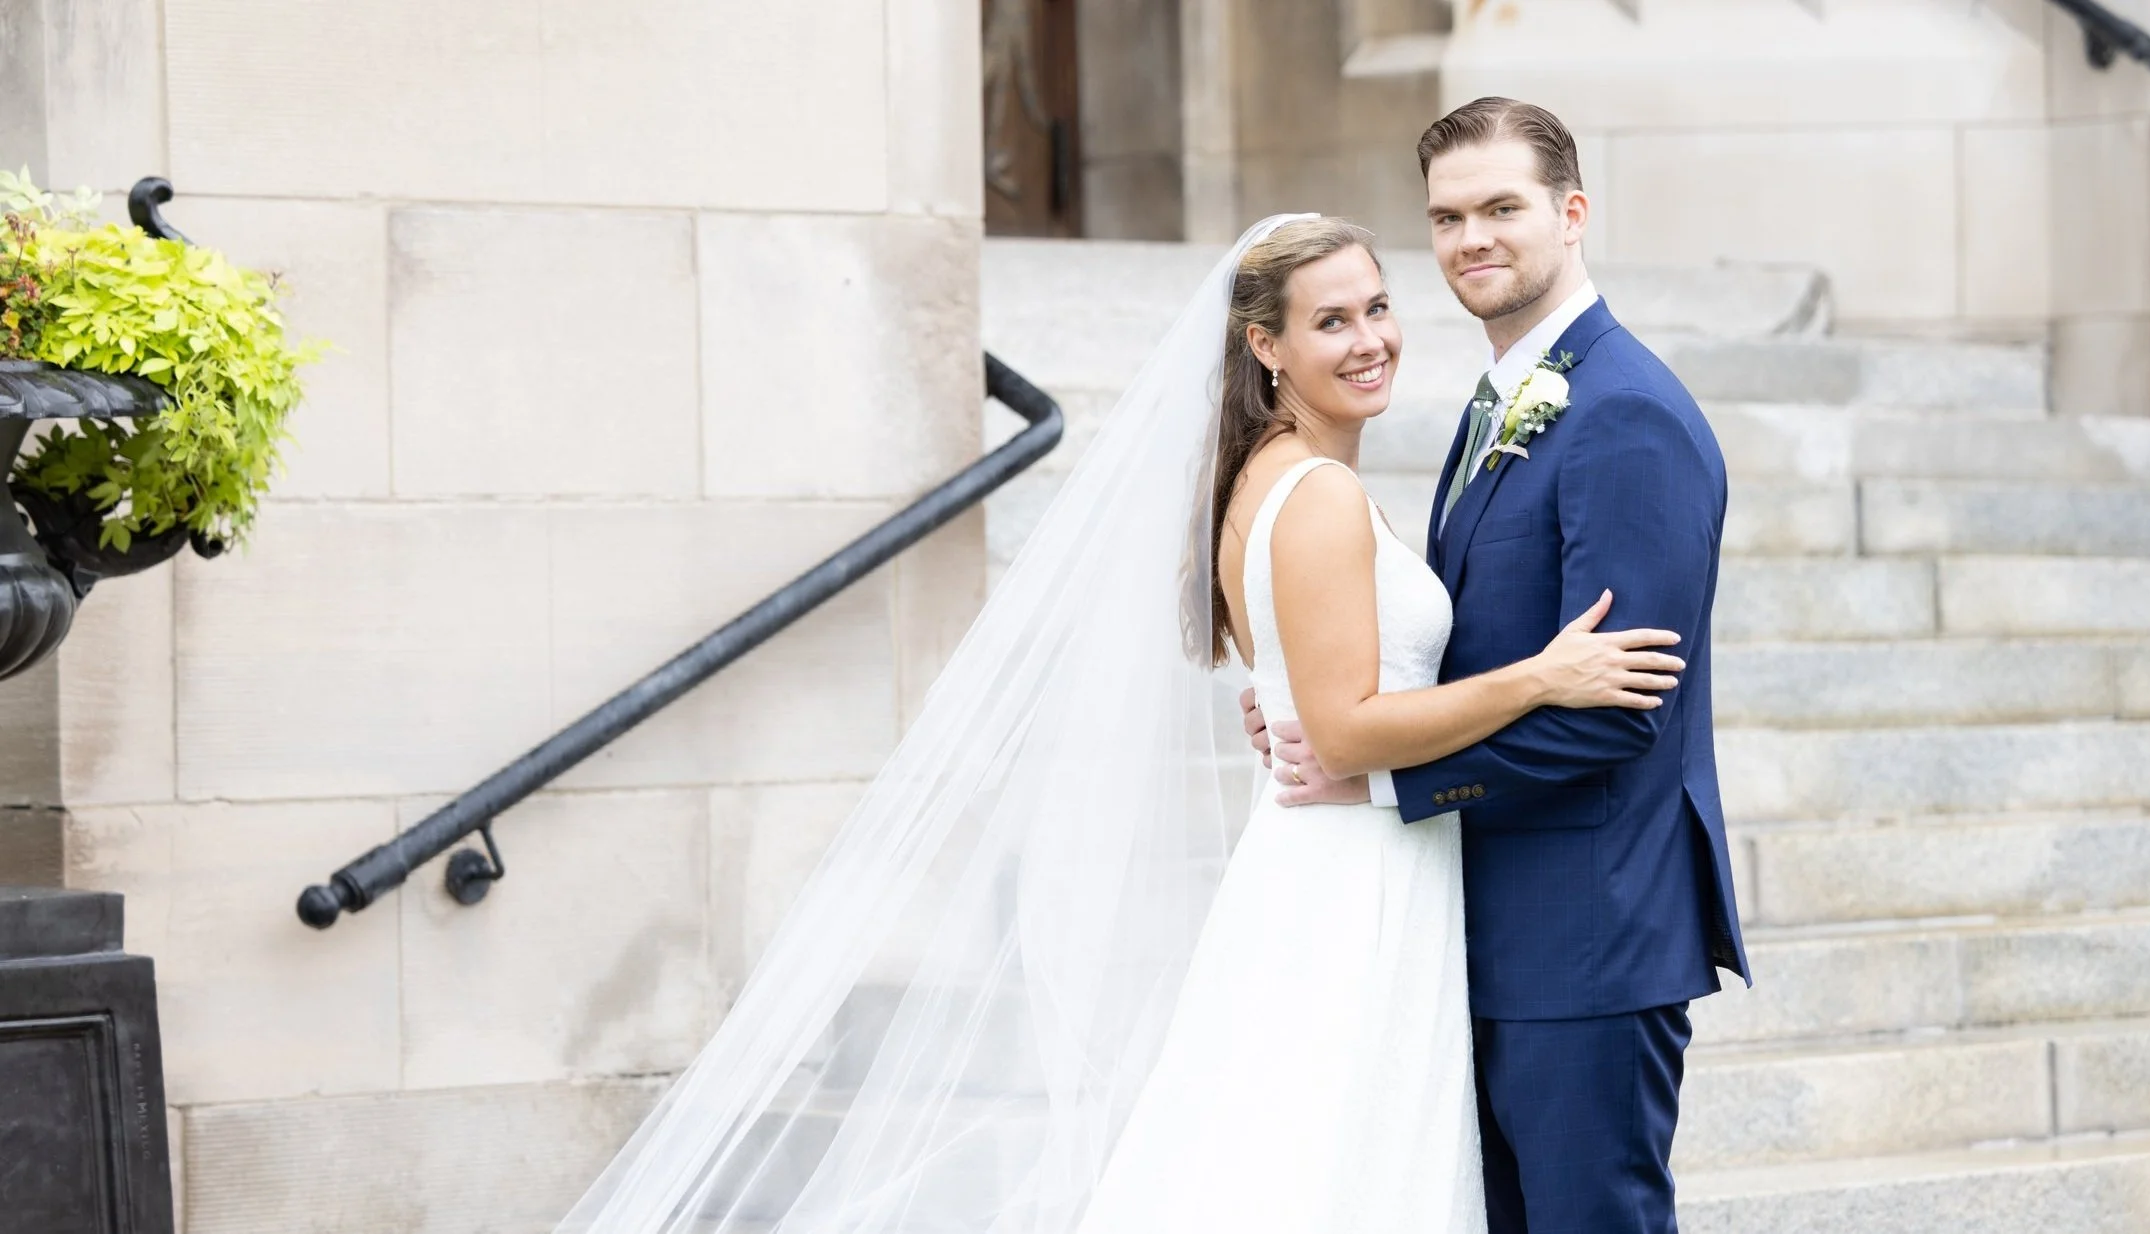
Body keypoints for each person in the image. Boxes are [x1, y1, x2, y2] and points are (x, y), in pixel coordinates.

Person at [553, 211, 1680, 1234]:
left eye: (1378, 307)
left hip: (1329, 860)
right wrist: (1541, 677)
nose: (1369, 338)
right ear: (1265, 348)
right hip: (1352, 873)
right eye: (1329, 320)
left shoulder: (1261, 478)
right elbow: (1342, 732)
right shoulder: (1320, 494)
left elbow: (1319, 699)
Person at [1248, 98, 1753, 1233]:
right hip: (1488, 929)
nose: (1472, 237)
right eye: (1447, 216)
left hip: (1587, 938)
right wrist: (1331, 707)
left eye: (1501, 207)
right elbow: (1476, 645)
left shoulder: (1627, 416)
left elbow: (1617, 708)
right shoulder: (1503, 404)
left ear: (1572, 213)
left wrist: (1378, 777)